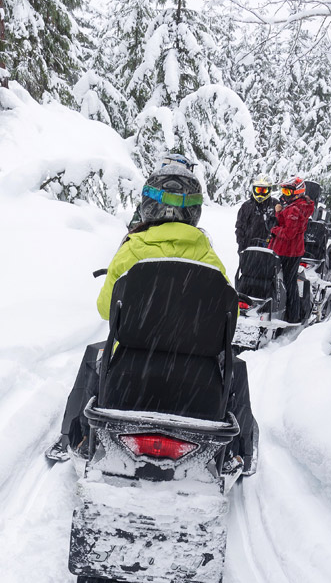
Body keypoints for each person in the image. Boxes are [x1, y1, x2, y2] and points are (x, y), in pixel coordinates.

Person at [47, 164, 256, 470]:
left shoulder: (131, 250)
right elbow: (226, 320)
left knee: (95, 354)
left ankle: (71, 438)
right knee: (237, 368)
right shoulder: (208, 256)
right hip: (197, 386)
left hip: (129, 380)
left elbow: (105, 309)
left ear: (149, 205)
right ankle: (242, 452)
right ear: (193, 210)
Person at [269, 176, 314, 323]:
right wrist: (279, 213)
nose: (284, 195)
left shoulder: (294, 209)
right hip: (290, 250)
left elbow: (289, 233)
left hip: (288, 251)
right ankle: (290, 313)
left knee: (288, 282)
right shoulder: (297, 205)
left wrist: (274, 230)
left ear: (298, 192)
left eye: (287, 192)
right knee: (288, 281)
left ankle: (292, 315)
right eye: (283, 191)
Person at [235, 174, 276, 252]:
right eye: (258, 190)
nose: (260, 193)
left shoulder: (274, 205)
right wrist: (241, 243)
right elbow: (239, 226)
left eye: (263, 190)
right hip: (248, 247)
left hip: (268, 249)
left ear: (269, 190)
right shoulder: (246, 206)